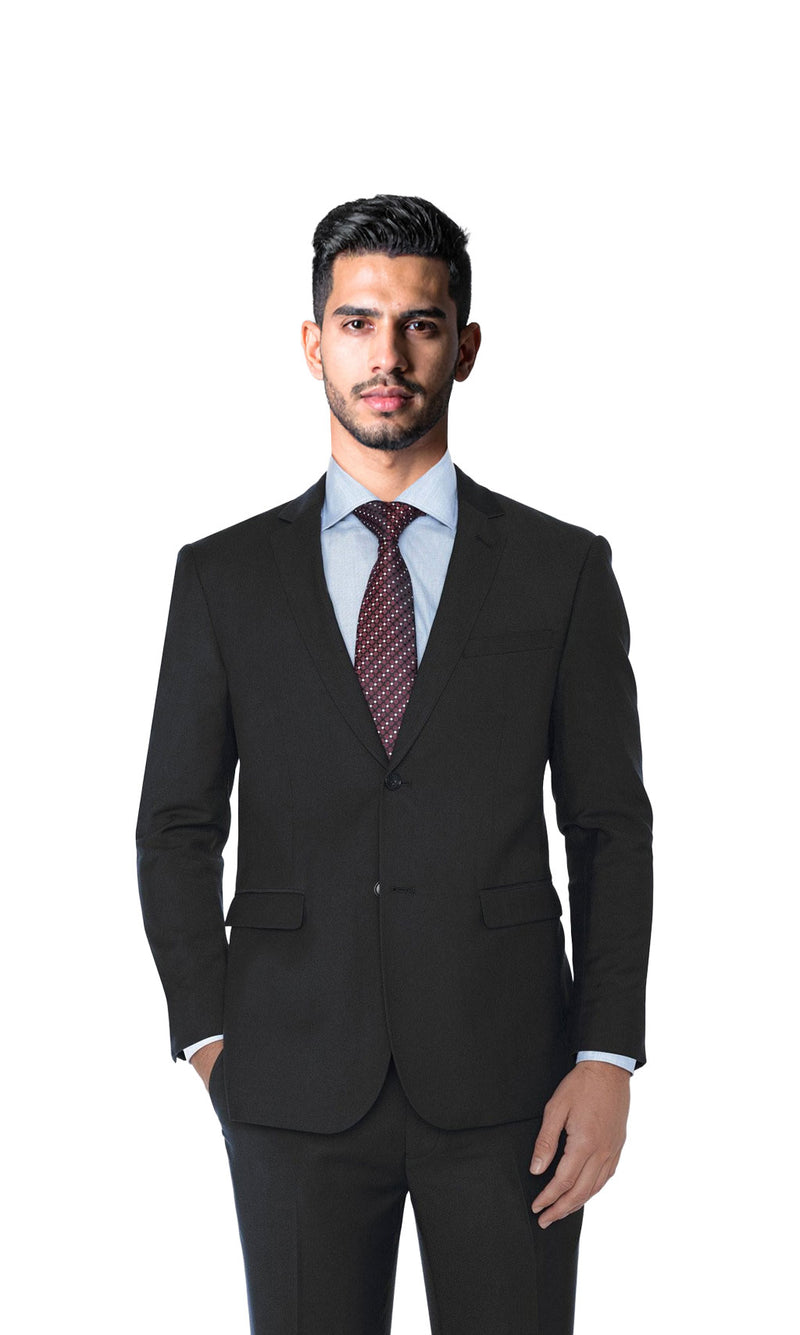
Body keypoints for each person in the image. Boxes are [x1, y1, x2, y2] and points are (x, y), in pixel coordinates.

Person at [136, 193, 653, 1334]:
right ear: (311, 343)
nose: (388, 356)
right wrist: (210, 1035)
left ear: (464, 347)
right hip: (286, 1073)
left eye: (420, 324)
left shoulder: (561, 569)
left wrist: (607, 1053)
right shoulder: (222, 577)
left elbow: (609, 825)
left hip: (514, 1077)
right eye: (357, 323)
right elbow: (176, 824)